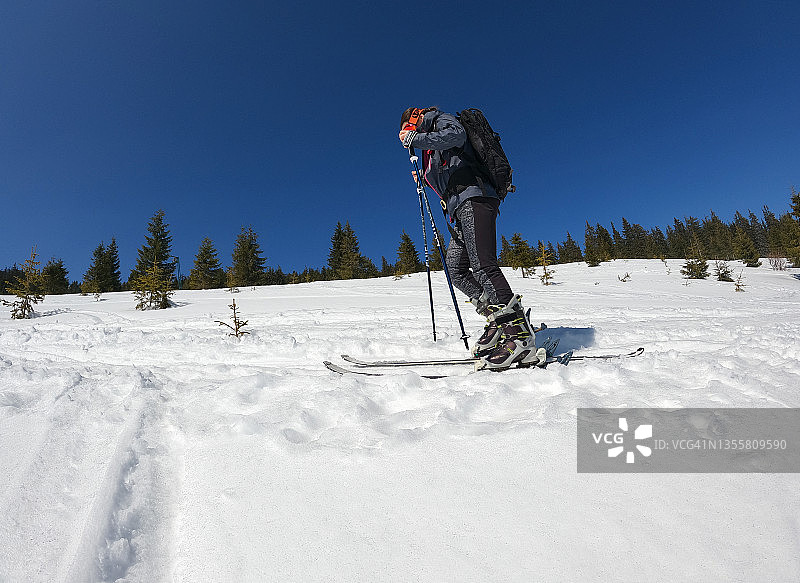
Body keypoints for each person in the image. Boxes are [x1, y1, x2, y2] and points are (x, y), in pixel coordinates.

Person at [398, 107, 543, 369]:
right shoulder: (430, 150)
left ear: (416, 117)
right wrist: (423, 176)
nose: (408, 134)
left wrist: (416, 139)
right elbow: (446, 176)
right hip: (459, 210)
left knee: (484, 265)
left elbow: (455, 135)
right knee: (456, 269)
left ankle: (519, 338)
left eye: (408, 128)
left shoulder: (440, 121)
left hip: (475, 198)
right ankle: (499, 322)